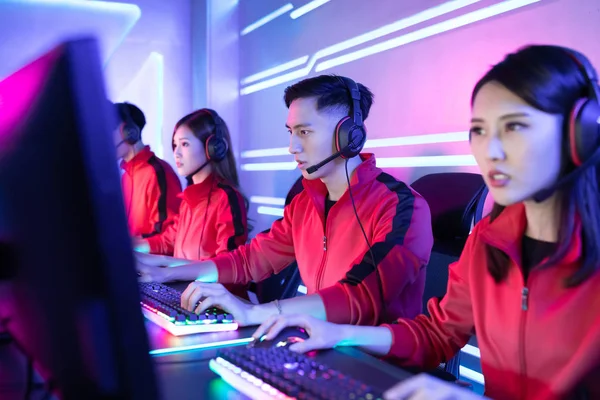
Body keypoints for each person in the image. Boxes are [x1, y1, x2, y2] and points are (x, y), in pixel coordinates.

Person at [252, 45, 600, 400]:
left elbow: (363, 295)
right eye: (479, 130)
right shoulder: (488, 238)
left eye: (514, 127)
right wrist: (339, 334)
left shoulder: (401, 206)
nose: (490, 150)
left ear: (580, 133)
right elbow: (437, 333)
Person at [136, 75, 433, 328]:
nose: (292, 147)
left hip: (382, 372)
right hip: (321, 348)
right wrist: (169, 273)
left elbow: (360, 295)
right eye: (291, 132)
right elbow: (249, 260)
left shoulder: (402, 207)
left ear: (348, 136)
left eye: (304, 132)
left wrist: (256, 312)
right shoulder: (304, 204)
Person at [134, 108, 250, 263]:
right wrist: (130, 247)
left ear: (213, 148)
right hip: (183, 286)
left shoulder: (226, 199)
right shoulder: (188, 200)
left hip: (204, 288)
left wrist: (172, 269)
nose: (176, 153)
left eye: (185, 144)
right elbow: (166, 241)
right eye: (175, 145)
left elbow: (228, 265)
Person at [114, 102, 182, 238]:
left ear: (128, 132)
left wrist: (133, 247)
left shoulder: (157, 173)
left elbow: (167, 236)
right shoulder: (125, 177)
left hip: (151, 259)